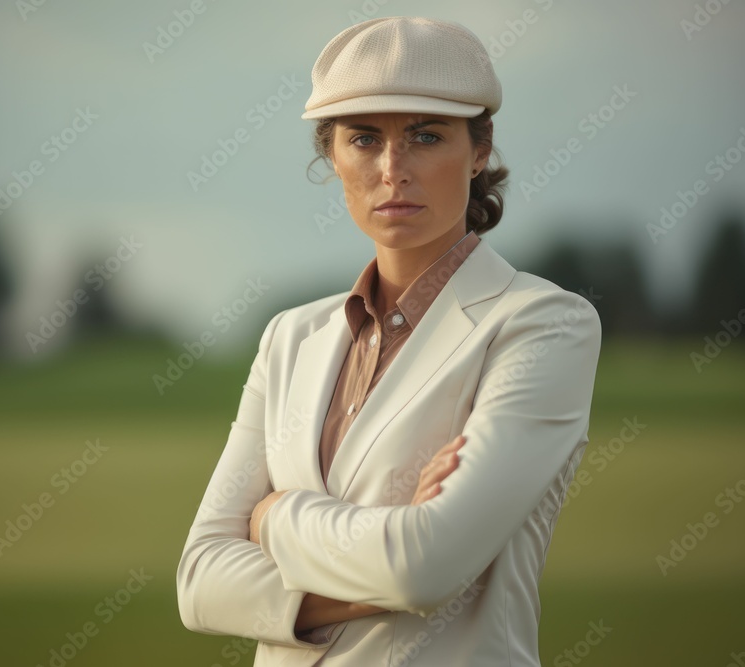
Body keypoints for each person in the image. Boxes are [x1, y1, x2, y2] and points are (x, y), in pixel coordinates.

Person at [177, 16, 602, 666]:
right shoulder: (290, 337)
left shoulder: (544, 324)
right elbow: (201, 580)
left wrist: (275, 516)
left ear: (480, 148)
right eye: (365, 139)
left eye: (426, 136)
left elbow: (423, 568)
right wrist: (387, 568)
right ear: (332, 154)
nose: (392, 169)